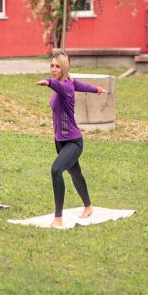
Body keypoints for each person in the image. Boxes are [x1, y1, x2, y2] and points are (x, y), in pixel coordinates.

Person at [36, 51, 106, 228]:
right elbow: (80, 85)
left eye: (57, 66)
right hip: (60, 141)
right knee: (75, 173)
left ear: (64, 68)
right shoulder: (69, 82)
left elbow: (58, 87)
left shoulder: (64, 86)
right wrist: (96, 89)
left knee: (56, 170)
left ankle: (58, 218)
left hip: (74, 142)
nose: (53, 69)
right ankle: (88, 207)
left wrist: (48, 82)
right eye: (51, 66)